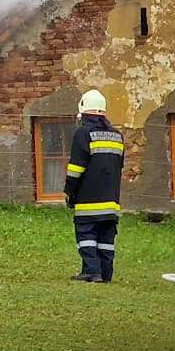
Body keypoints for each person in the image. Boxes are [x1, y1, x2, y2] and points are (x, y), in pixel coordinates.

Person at [64, 89, 124, 283]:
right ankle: (106, 274)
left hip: (88, 198)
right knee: (106, 239)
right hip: (111, 201)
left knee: (86, 234)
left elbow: (76, 168)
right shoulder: (117, 136)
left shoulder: (83, 134)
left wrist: (70, 193)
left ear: (83, 111)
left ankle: (91, 271)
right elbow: (119, 166)